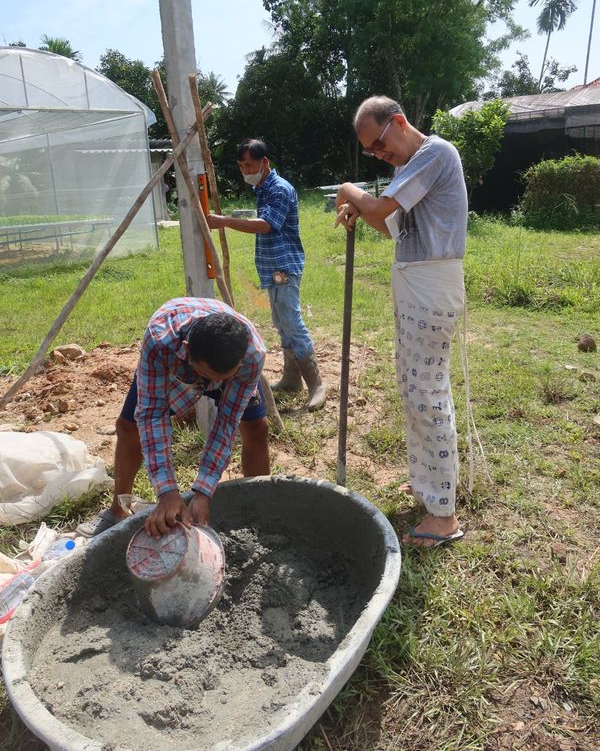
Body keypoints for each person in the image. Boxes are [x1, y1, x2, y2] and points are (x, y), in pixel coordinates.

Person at [335, 96, 468, 549]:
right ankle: (428, 483)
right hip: (415, 284)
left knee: (428, 394)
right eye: (370, 151)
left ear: (398, 122)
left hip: (430, 286)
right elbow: (389, 225)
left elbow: (377, 209)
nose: (378, 154)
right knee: (413, 389)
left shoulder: (436, 152)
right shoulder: (408, 168)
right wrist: (361, 208)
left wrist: (350, 191)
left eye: (378, 143)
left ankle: (444, 517)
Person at [77, 297, 268, 539]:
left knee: (257, 427)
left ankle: (259, 511)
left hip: (227, 371)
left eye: (222, 378)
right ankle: (117, 510)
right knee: (128, 426)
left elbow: (227, 422)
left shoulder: (251, 355)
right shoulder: (159, 339)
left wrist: (204, 491)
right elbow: (152, 413)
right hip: (174, 368)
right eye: (208, 375)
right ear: (187, 350)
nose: (214, 384)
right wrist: (167, 492)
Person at [207, 138, 327, 411]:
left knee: (291, 321)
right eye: (241, 166)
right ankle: (292, 378)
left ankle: (316, 383)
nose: (245, 171)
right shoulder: (262, 189)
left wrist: (224, 221)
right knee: (281, 321)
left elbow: (266, 225)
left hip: (284, 266)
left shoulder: (279, 189)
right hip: (272, 267)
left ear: (265, 163)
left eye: (249, 165)